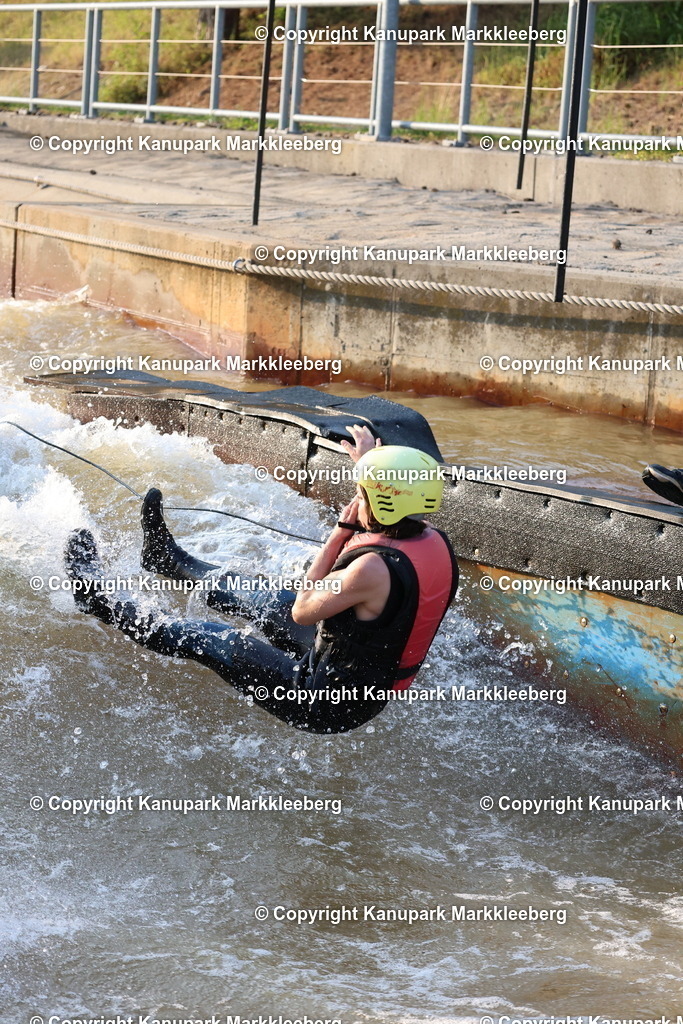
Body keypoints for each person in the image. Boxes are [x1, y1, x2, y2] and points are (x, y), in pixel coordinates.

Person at [65, 426, 458, 734]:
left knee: (213, 638)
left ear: (382, 502)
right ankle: (166, 560)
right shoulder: (434, 540)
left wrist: (341, 530)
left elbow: (304, 609)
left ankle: (95, 599)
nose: (357, 498)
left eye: (362, 493)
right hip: (346, 663)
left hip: (323, 700)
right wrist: (375, 463)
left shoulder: (370, 569)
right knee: (257, 595)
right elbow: (398, 502)